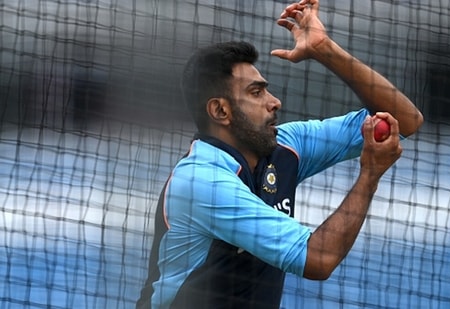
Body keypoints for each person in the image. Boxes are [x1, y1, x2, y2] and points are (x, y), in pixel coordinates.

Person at [136, 0, 423, 308]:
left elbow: (405, 120)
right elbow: (318, 259)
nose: (275, 102)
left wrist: (325, 48)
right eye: (256, 93)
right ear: (220, 110)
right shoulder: (201, 181)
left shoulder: (282, 146)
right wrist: (369, 175)